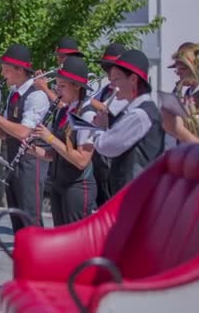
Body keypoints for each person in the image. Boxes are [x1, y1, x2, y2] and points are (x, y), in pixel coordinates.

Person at [0, 44, 50, 231]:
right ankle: (21, 257)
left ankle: (36, 259)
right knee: (16, 217)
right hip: (12, 160)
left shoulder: (37, 96)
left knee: (29, 217)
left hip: (30, 164)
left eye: (6, 69)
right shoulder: (13, 94)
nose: (2, 73)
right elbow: (5, 132)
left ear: (20, 70)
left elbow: (24, 132)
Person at [29, 57, 97, 225]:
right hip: (59, 184)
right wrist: (36, 150)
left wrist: (50, 138)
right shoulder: (64, 111)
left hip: (77, 187)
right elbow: (57, 154)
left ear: (77, 86)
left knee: (76, 242)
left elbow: (81, 160)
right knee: (60, 237)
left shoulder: (87, 114)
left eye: (62, 86)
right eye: (57, 85)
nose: (57, 91)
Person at [93, 50, 165, 196]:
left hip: (135, 193)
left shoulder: (140, 114)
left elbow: (106, 146)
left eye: (116, 79)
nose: (111, 85)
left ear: (133, 79)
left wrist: (100, 128)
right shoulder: (136, 110)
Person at [89, 42, 129, 207]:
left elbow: (109, 110)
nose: (109, 73)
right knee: (102, 202)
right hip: (100, 154)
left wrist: (87, 100)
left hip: (115, 156)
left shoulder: (126, 90)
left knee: (115, 202)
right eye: (108, 68)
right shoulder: (106, 88)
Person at [34, 37, 85, 106]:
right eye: (57, 57)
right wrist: (42, 87)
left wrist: (45, 89)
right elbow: (57, 98)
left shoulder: (79, 75)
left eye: (61, 57)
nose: (58, 61)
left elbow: (64, 106)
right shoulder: (59, 76)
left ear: (73, 57)